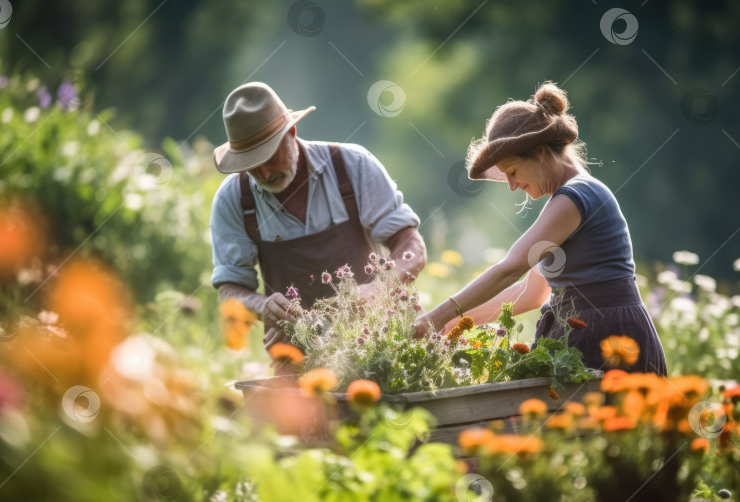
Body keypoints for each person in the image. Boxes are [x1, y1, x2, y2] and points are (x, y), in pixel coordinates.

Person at [414, 82, 666, 375]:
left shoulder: (575, 196)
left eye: (512, 171)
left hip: (610, 334)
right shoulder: (568, 199)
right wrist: (452, 325)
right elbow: (532, 293)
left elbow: (511, 268)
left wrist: (436, 316)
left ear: (540, 152)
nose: (511, 185)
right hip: (587, 330)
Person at [210, 82, 426, 364]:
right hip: (296, 357)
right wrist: (262, 306)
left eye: (269, 157)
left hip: (377, 345)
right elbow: (230, 291)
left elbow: (412, 247)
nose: (263, 173)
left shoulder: (352, 166)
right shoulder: (234, 199)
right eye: (251, 163)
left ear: (291, 132)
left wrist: (379, 287)